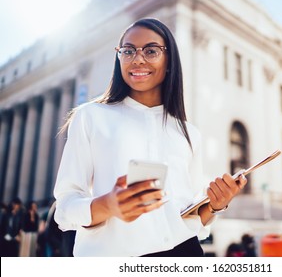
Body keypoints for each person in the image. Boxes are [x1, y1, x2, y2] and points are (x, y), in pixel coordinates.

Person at [54, 18, 247, 257]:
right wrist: (108, 205)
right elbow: (65, 208)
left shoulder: (189, 133)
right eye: (128, 50)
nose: (137, 58)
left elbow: (189, 217)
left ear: (169, 61)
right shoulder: (90, 117)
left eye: (151, 51)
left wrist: (216, 205)